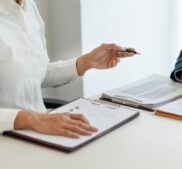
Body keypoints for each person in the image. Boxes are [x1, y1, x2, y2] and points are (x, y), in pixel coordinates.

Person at [0, 0, 135, 138]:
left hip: (40, 132)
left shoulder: (29, 7)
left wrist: (85, 62)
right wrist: (33, 119)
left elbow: (35, 74)